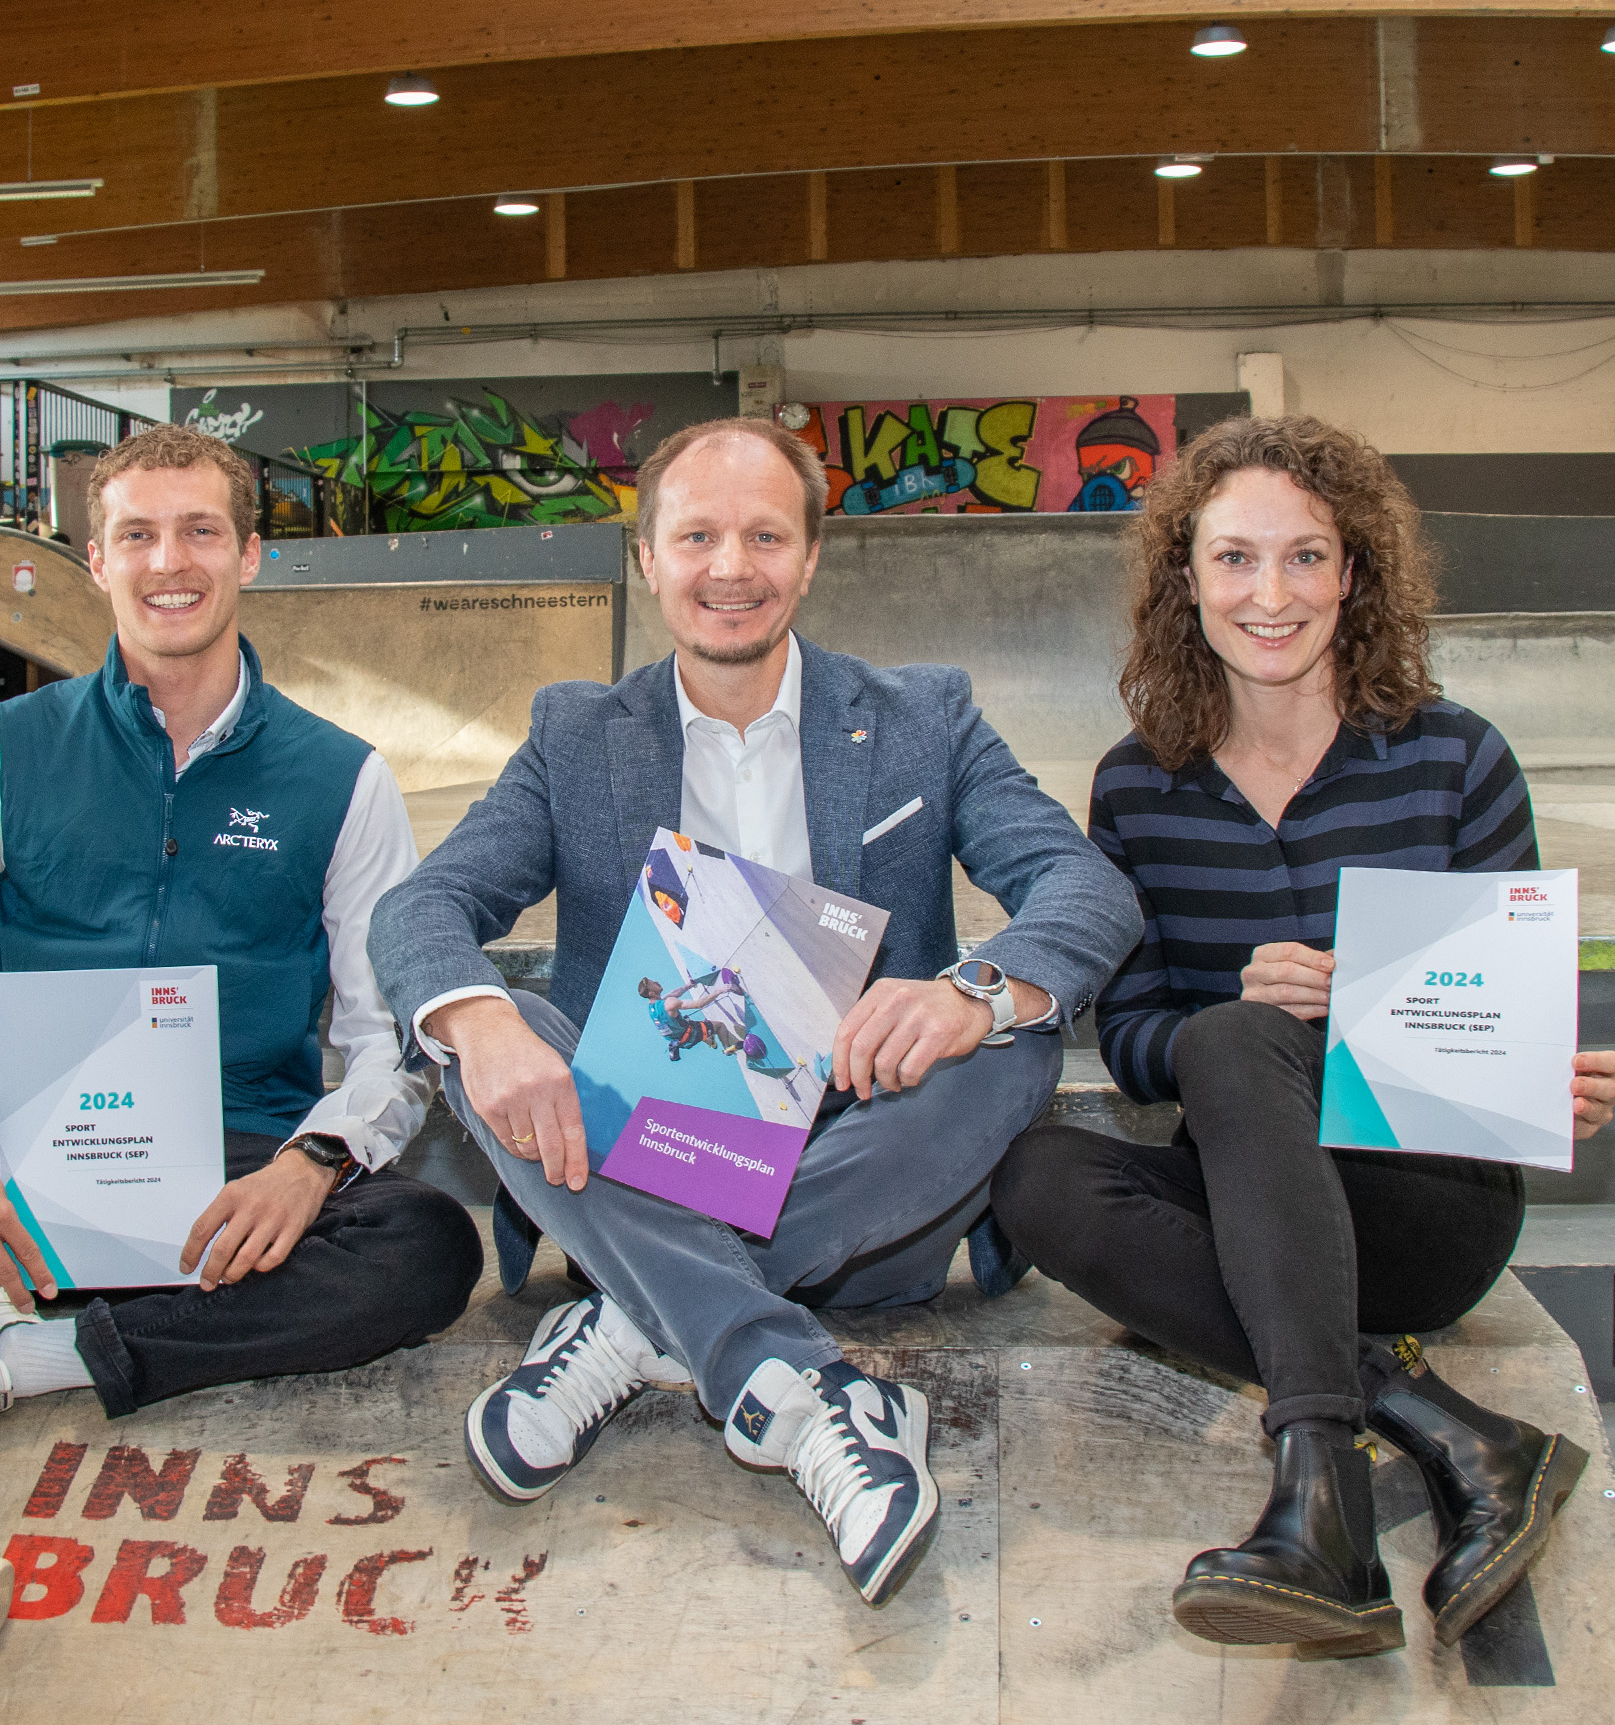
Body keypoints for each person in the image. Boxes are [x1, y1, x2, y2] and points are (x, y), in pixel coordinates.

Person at [0, 426, 482, 1725]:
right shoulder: (4, 753)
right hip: (27, 1171)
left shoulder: (341, 780)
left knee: (426, 1245)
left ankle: (33, 1355)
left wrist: (315, 1160)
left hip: (232, 1184)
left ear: (250, 555)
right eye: (136, 535)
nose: (169, 563)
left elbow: (386, 1035)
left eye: (200, 532)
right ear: (92, 559)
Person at [369, 416, 1140, 1609]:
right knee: (505, 1038)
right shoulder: (577, 735)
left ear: (812, 557)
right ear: (648, 558)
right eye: (698, 535)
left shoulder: (925, 717)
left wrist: (969, 989)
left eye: (765, 534)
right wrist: (478, 1020)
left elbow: (1082, 887)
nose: (731, 565)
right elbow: (427, 903)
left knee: (1014, 1042)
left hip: (857, 1160)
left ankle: (643, 1319)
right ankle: (804, 1388)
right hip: (649, 1143)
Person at [990, 414, 1615, 1660]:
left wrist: (1539, 1080)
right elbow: (1128, 1038)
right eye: (1234, 558)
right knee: (1040, 1173)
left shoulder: (1457, 759)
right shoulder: (1138, 785)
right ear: (1187, 578)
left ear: (1354, 573)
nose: (1268, 594)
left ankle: (1318, 1497)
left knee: (1234, 1040)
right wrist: (1236, 1011)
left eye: (1304, 557)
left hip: (1422, 1206)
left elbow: (1496, 1014)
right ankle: (1452, 1432)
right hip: (1250, 1201)